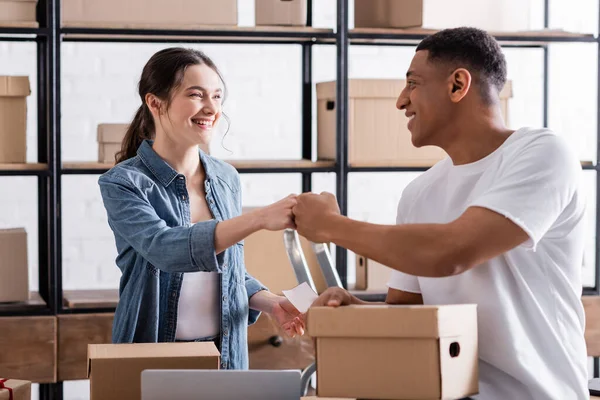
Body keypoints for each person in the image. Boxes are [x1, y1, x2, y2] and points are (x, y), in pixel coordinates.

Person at [293, 27, 588, 399]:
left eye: (413, 84)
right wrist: (353, 311)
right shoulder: (419, 193)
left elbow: (451, 252)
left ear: (457, 85)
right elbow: (408, 315)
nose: (401, 101)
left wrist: (330, 226)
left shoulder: (543, 154)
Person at [98, 47, 305, 370]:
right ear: (155, 103)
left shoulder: (226, 178)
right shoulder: (124, 183)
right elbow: (165, 250)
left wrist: (270, 301)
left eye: (218, 96)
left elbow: (228, 272)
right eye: (197, 95)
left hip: (225, 356)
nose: (211, 108)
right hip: (151, 357)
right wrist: (259, 218)